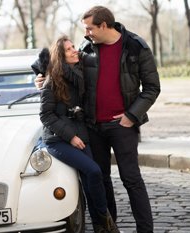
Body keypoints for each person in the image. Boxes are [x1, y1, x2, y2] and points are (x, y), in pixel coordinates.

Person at [35, 6, 161, 233]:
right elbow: (64, 70)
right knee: (101, 179)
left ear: (104, 25)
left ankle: (145, 229)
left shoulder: (136, 47)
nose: (86, 33)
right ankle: (108, 227)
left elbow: (152, 87)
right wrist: (41, 77)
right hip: (92, 127)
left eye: (90, 28)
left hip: (123, 126)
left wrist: (131, 116)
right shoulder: (87, 48)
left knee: (131, 179)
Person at [33, 35, 119, 232]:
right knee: (94, 170)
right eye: (69, 49)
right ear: (61, 57)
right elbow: (46, 116)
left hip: (80, 135)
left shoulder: (77, 74)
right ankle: (105, 222)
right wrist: (71, 137)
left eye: (74, 47)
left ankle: (100, 226)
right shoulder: (51, 81)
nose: (75, 51)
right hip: (58, 140)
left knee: (91, 177)